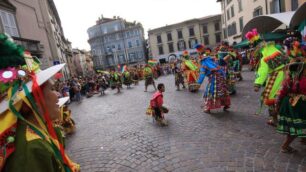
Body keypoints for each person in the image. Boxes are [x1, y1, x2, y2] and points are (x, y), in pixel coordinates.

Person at [0, 34, 79, 171]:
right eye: (52, 89)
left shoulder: (34, 135)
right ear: (34, 101)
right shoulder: (33, 148)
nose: (58, 94)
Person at [276, 60, 306, 153]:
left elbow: (281, 93)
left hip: (287, 103)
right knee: (297, 126)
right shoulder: (302, 80)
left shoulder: (289, 79)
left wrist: (278, 104)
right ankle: (285, 146)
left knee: (295, 125)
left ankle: (303, 139)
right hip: (297, 105)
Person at [197, 47, 230, 113]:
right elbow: (222, 63)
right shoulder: (214, 59)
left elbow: (202, 73)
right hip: (221, 77)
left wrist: (198, 83)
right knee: (223, 90)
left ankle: (208, 108)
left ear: (201, 56)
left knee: (210, 91)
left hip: (214, 78)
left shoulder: (204, 63)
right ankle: (226, 104)